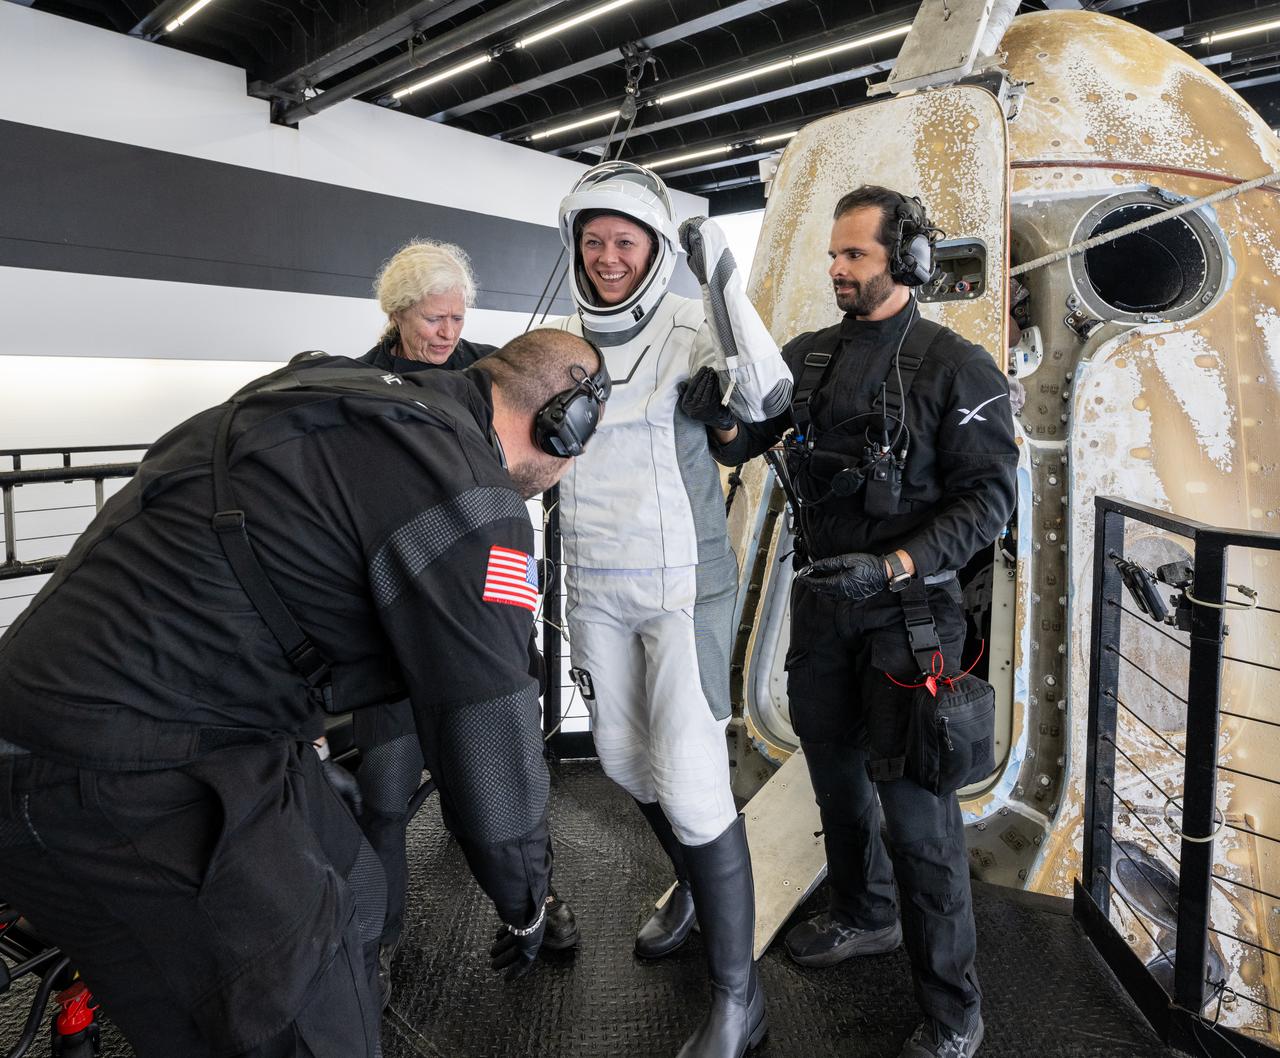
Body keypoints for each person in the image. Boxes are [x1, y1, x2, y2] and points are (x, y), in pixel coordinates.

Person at [0, 328, 607, 1058]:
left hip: (171, 721)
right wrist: (526, 903)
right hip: (115, 767)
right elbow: (492, 737)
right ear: (565, 425)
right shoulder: (473, 498)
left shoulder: (338, 398)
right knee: (312, 1034)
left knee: (354, 880)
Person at [710, 186, 1018, 1058]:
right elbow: (746, 438)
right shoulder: (806, 358)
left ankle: (956, 1012)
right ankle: (864, 914)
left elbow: (989, 501)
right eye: (835, 255)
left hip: (910, 623)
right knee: (836, 783)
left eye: (856, 256)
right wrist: (722, 413)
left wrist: (891, 565)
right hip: (823, 612)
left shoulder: (959, 370)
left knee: (918, 823)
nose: (837, 269)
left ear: (907, 261)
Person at [551, 160, 792, 1058]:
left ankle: (741, 1000)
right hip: (594, 583)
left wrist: (719, 266)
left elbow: (766, 398)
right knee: (622, 760)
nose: (609, 258)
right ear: (574, 245)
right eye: (595, 241)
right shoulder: (557, 337)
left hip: (682, 585)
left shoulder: (692, 325)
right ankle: (693, 880)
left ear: (653, 248)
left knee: (692, 781)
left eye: (626, 241)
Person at [352, 239, 576, 1005]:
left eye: (456, 318)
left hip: (483, 589)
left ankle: (537, 895)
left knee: (508, 745)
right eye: (432, 319)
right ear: (397, 314)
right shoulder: (366, 386)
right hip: (396, 616)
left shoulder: (489, 372)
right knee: (384, 792)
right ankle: (378, 946)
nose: (446, 334)